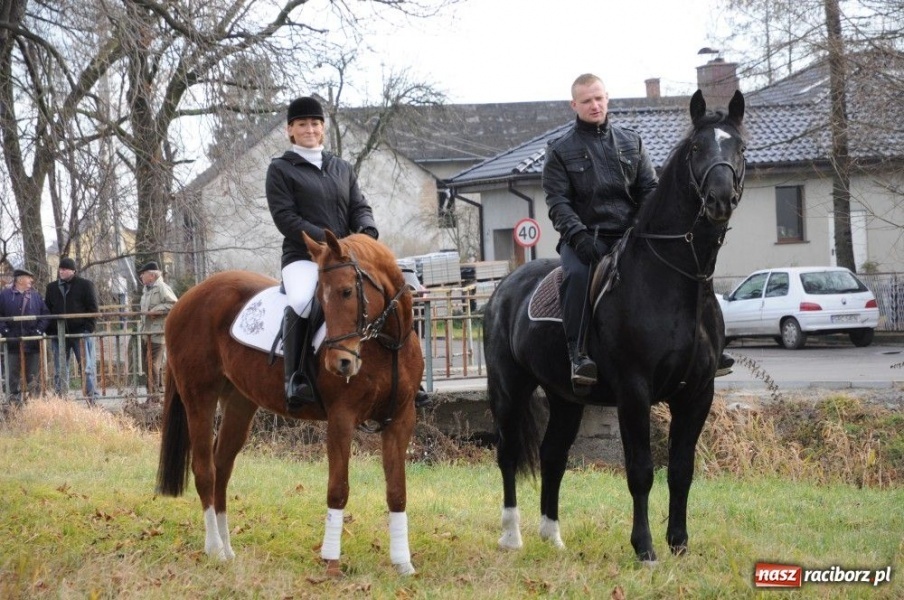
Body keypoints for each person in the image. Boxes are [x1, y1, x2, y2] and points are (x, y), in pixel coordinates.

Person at [544, 74, 733, 392]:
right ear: (574, 105)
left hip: (633, 236)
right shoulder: (561, 150)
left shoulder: (633, 141)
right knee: (576, 277)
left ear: (608, 98)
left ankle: (710, 345)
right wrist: (578, 237)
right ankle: (578, 355)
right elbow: (558, 203)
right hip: (586, 240)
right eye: (587, 100)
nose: (595, 105)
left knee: (692, 267)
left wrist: (643, 225)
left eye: (599, 98)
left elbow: (650, 189)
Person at [266, 95, 383, 410]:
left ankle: (399, 374)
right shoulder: (280, 169)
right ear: (290, 130)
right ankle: (296, 377)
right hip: (304, 258)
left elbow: (360, 207)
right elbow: (286, 219)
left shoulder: (341, 167)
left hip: (346, 258)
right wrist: (331, 243)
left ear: (323, 128)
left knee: (386, 292)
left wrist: (366, 234)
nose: (309, 129)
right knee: (304, 300)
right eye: (302, 124)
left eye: (315, 123)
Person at [45, 257, 100, 403]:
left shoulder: (85, 285)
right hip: (59, 335)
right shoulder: (51, 287)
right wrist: (51, 330)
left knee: (87, 368)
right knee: (60, 370)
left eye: (65, 269)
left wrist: (88, 329)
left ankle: (92, 399)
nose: (61, 271)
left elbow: (93, 309)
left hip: (81, 333)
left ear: (73, 271)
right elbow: (47, 310)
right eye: (60, 269)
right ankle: (62, 401)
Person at [0, 268, 50, 406]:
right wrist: (6, 332)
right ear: (20, 279)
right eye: (29, 278)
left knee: (34, 377)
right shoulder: (4, 296)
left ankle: (34, 405)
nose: (31, 281)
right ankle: (13, 405)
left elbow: (45, 316)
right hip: (12, 343)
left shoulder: (35, 296)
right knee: (12, 376)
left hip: (32, 344)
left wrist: (38, 331)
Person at [138, 261, 178, 403]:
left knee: (152, 365)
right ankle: (155, 394)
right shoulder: (147, 289)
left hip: (157, 333)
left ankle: (154, 397)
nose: (141, 276)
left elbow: (174, 304)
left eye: (143, 274)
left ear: (152, 275)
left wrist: (156, 310)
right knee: (148, 365)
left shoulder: (161, 287)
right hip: (146, 333)